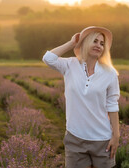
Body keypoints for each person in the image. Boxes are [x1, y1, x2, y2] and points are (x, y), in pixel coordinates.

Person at [42, 26, 120, 168]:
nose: (98, 46)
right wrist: (72, 43)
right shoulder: (70, 65)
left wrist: (116, 136)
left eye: (102, 43)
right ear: (85, 43)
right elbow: (48, 58)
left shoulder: (110, 73)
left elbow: (112, 105)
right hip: (75, 138)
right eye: (95, 41)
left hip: (102, 139)